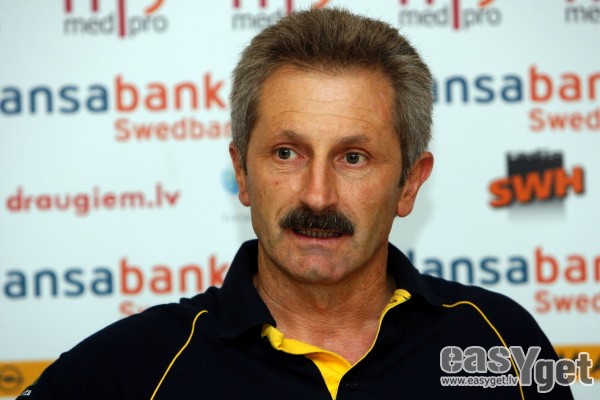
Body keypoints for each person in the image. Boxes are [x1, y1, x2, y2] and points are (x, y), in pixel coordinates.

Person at [17, 8, 573, 400]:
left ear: (409, 184)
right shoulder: (130, 370)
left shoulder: (503, 344)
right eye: (287, 153)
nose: (317, 195)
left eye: (353, 157)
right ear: (242, 172)